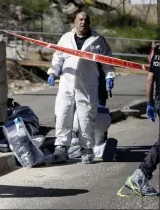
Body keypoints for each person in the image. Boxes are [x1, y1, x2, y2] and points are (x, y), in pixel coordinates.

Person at [47, 11, 116, 164]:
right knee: (63, 114)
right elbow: (57, 57)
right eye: (80, 19)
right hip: (67, 83)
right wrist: (52, 72)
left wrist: (109, 76)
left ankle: (87, 149)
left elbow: (107, 61)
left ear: (89, 22)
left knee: (86, 117)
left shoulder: (97, 40)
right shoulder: (65, 38)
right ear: (75, 21)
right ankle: (61, 148)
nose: (83, 22)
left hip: (87, 85)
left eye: (86, 19)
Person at [118, 44, 159, 197]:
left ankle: (141, 175)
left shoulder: (157, 52)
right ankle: (141, 175)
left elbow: (150, 79)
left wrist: (150, 103)